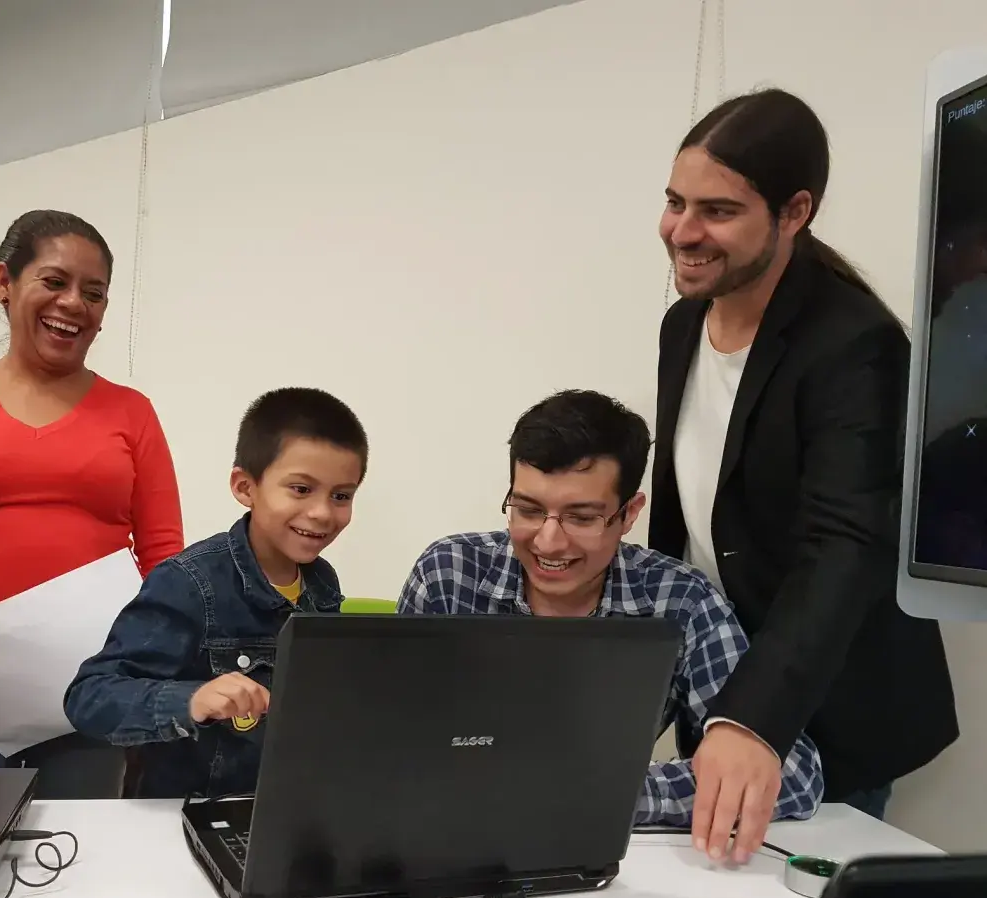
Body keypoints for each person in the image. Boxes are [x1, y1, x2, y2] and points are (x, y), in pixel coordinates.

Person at [650, 88, 958, 846]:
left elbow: (845, 545)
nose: (682, 231)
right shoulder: (683, 323)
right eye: (675, 202)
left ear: (794, 212)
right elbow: (688, 520)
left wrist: (752, 717)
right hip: (722, 693)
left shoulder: (856, 345)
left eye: (718, 211)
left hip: (828, 708)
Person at [398, 390, 823, 851]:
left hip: (601, 855)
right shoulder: (450, 574)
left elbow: (796, 774)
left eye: (581, 517)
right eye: (528, 510)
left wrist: (599, 793)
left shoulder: (680, 600)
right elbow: (388, 742)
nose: (548, 541)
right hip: (450, 843)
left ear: (628, 514)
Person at [0, 209, 185, 798]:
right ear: (4, 282)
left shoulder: (131, 411)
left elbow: (164, 552)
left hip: (90, 680)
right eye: (54, 281)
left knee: (73, 835)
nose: (73, 304)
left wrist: (152, 666)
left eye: (94, 293)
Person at [64, 387, 367, 799]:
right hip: (188, 813)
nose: (322, 513)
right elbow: (90, 697)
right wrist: (191, 700)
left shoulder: (322, 583)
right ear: (245, 487)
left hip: (278, 807)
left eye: (341, 496)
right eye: (300, 489)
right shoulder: (189, 583)